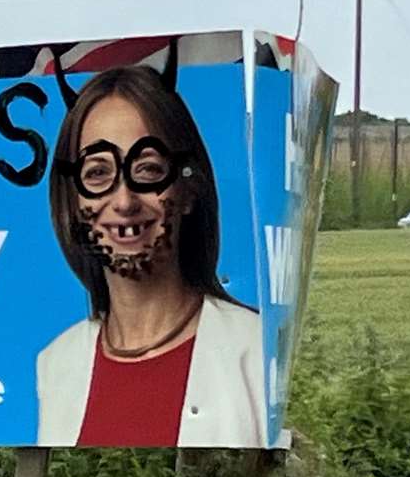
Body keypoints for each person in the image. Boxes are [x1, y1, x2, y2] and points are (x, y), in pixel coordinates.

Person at [35, 58, 266, 447]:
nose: (123, 200)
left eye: (147, 170)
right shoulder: (55, 364)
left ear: (188, 188)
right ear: (72, 201)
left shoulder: (257, 350)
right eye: (97, 173)